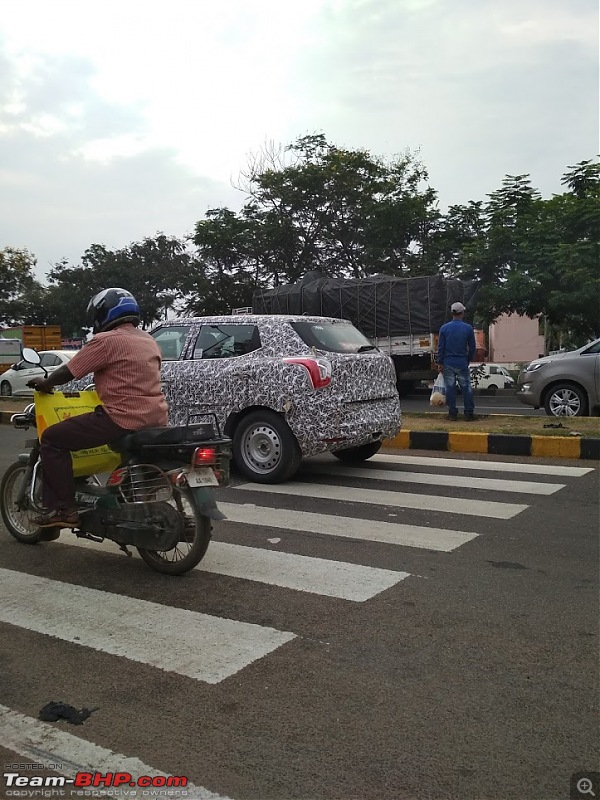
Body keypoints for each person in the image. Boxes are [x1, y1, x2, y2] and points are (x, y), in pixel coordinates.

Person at [26, 288, 168, 531]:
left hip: (121, 418)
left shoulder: (106, 341)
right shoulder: (148, 339)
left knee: (52, 439)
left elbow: (70, 370)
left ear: (103, 313)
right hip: (157, 417)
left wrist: (46, 382)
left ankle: (63, 509)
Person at [436, 301, 476, 421]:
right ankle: (468, 413)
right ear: (462, 313)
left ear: (452, 313)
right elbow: (472, 347)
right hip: (462, 361)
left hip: (448, 362)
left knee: (450, 388)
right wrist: (468, 359)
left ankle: (452, 413)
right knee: (466, 387)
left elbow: (441, 347)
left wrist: (440, 362)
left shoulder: (444, 328)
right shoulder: (468, 328)